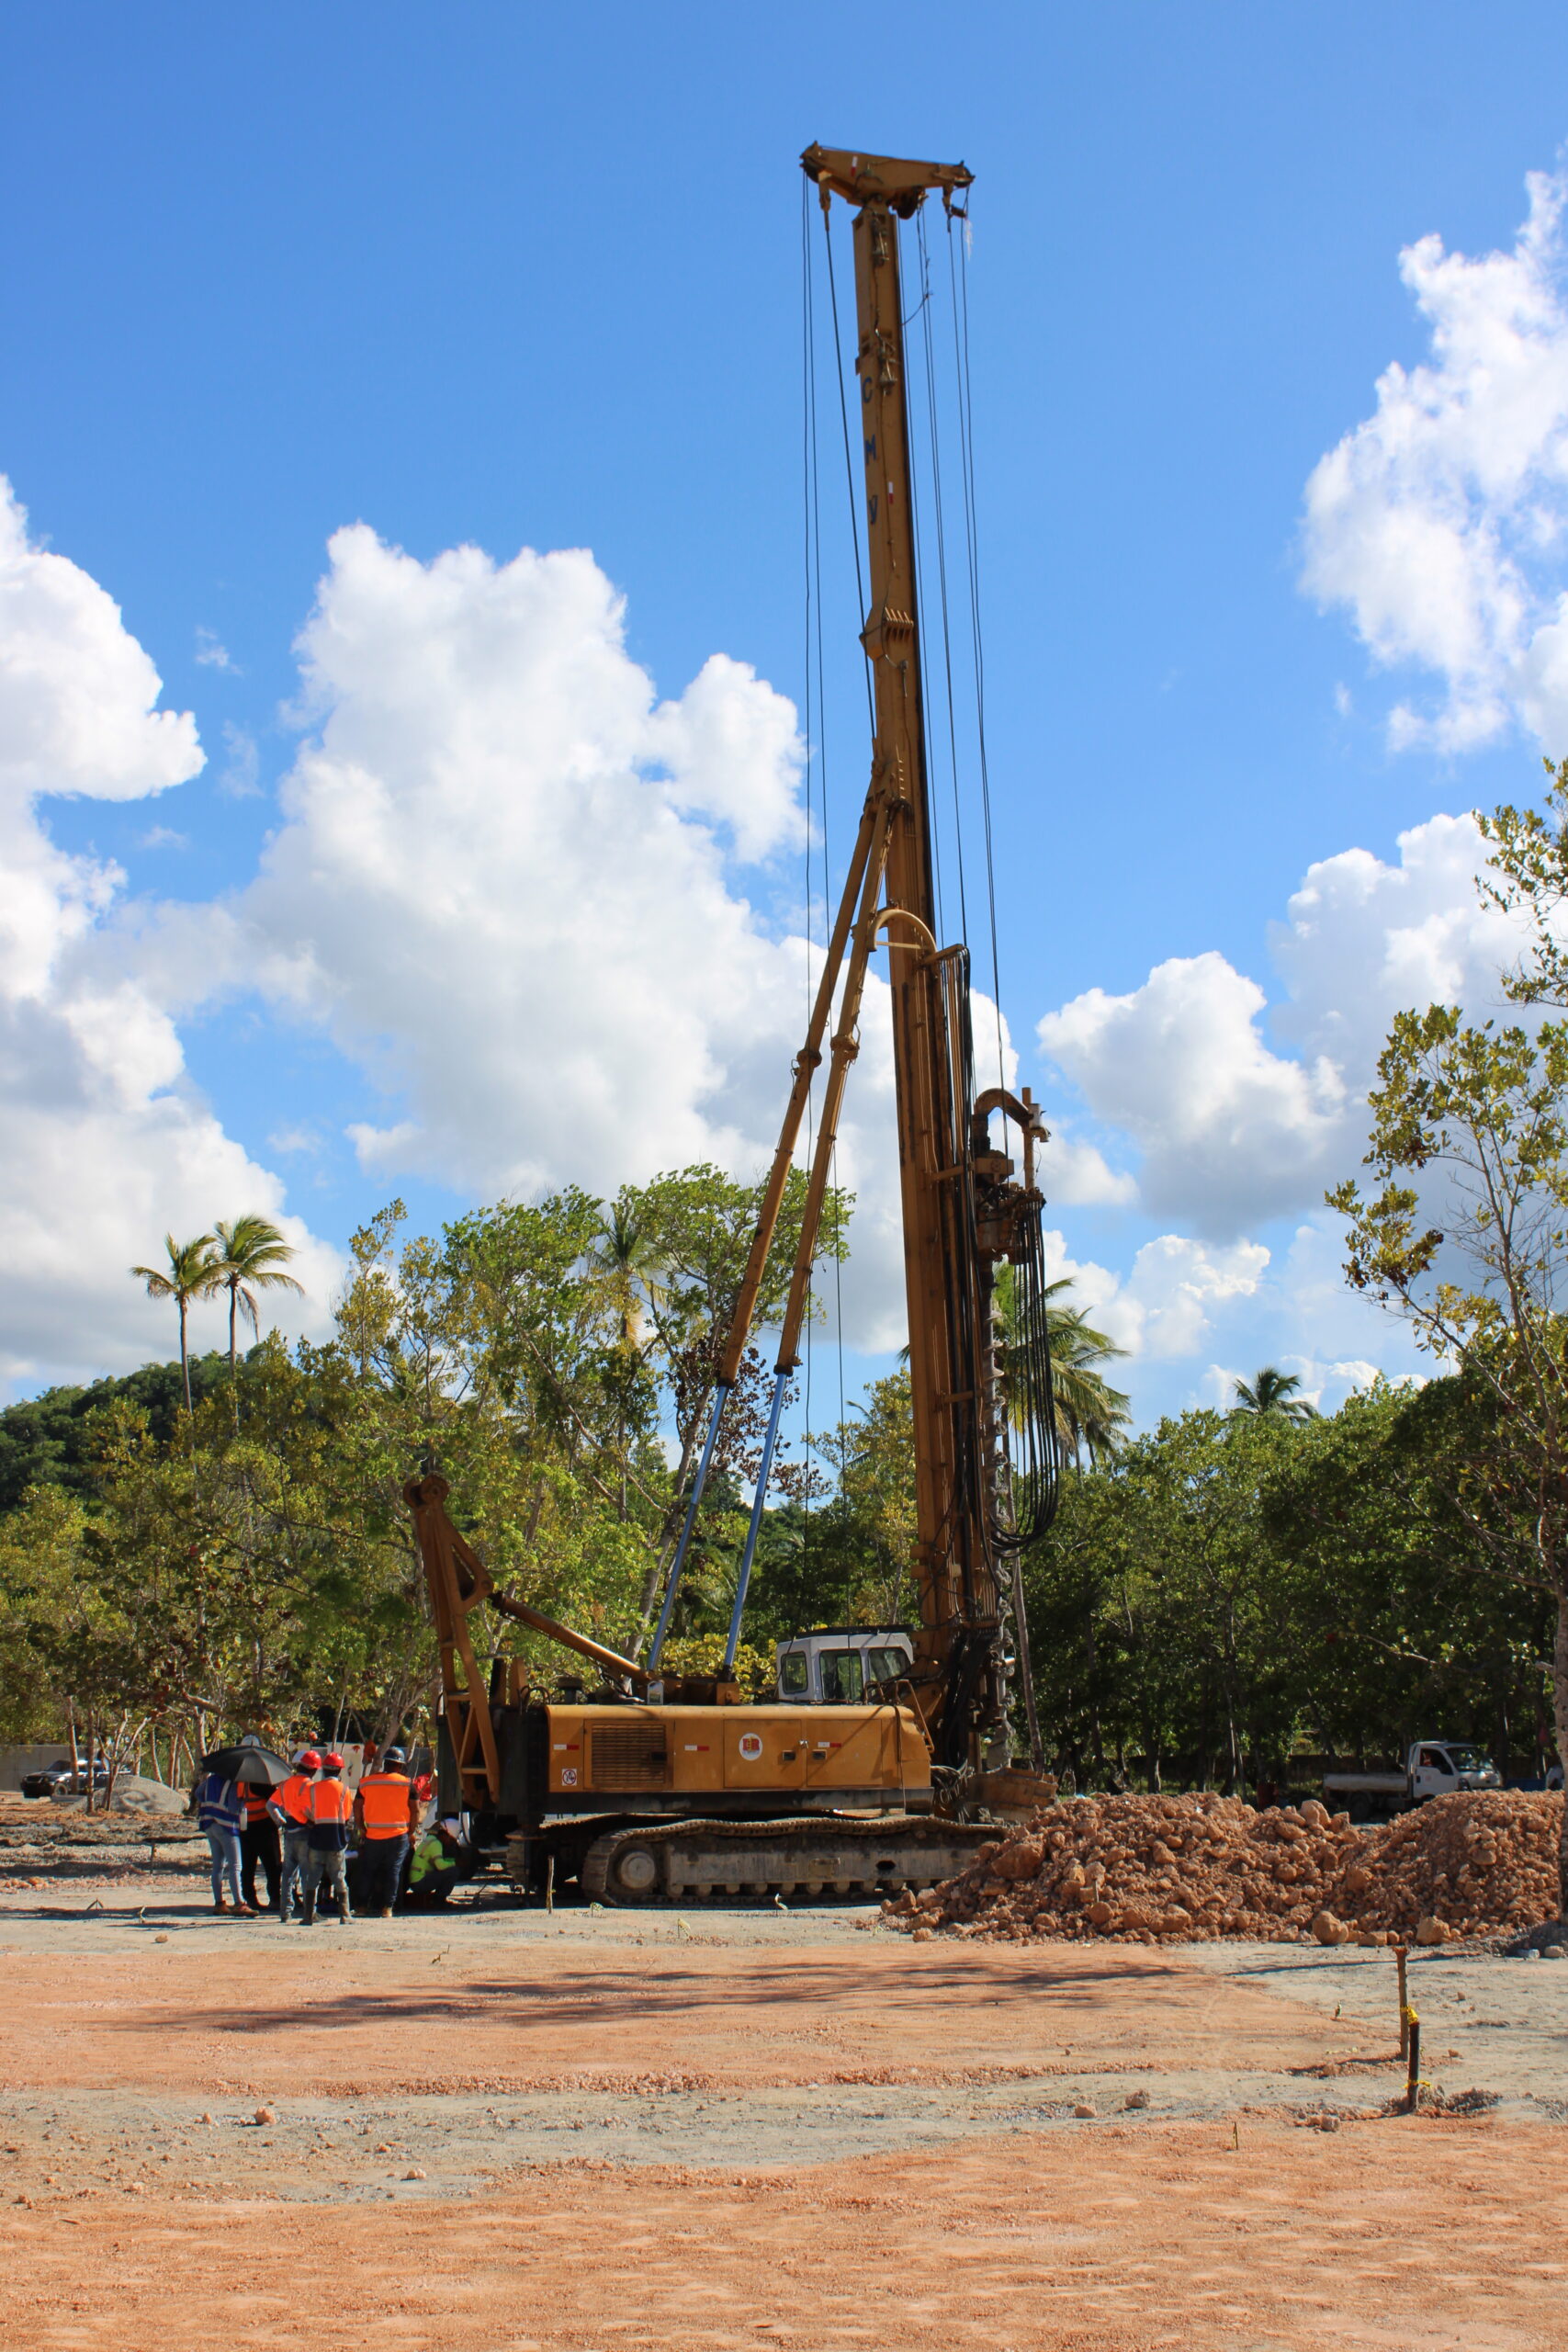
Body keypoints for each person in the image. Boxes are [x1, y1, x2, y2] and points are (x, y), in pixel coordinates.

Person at [355, 1746, 417, 1917]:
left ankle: (361, 1907)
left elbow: (357, 1807)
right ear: (400, 1765)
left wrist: (361, 1828)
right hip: (398, 1836)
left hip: (373, 1836)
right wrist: (410, 1831)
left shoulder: (367, 1782)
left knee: (368, 1871)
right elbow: (415, 1810)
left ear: (385, 1763)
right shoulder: (407, 1784)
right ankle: (387, 1908)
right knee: (393, 1871)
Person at [301, 1751, 354, 1924]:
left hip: (317, 1838)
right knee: (339, 1876)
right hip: (336, 1839)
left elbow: (308, 1812)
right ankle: (345, 1915)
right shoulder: (344, 1790)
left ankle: (308, 1916)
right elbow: (347, 1816)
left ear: (323, 1769)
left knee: (313, 1878)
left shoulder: (313, 1788)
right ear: (339, 1771)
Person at [267, 1750, 320, 1922]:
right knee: (307, 1875)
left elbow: (270, 1805)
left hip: (289, 1834)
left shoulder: (285, 1784)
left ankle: (285, 1913)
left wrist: (281, 1821)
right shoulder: (311, 1787)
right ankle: (309, 1913)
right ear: (313, 1769)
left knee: (288, 1875)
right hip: (306, 1833)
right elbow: (313, 1813)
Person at [195, 1764, 249, 1916]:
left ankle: (219, 1903)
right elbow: (233, 1806)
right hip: (226, 1825)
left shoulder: (210, 1780)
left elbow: (198, 1793)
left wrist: (209, 1803)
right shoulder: (232, 1783)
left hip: (209, 1823)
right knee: (235, 1866)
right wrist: (243, 1804)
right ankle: (239, 1903)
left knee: (218, 1867)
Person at [239, 1775, 282, 1913]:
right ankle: (275, 1898)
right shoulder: (260, 1782)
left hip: (245, 1827)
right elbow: (276, 1799)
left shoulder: (239, 1782)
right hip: (264, 1826)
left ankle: (249, 1897)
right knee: (273, 1865)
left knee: (248, 1865)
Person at [404, 1817, 463, 1907]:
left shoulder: (431, 1839)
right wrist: (455, 1863)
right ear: (446, 1834)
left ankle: (438, 1900)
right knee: (453, 1871)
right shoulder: (436, 1844)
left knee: (451, 1869)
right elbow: (440, 1866)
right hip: (420, 1883)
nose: (449, 1843)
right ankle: (439, 1901)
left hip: (416, 1881)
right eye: (451, 1840)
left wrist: (451, 1861)